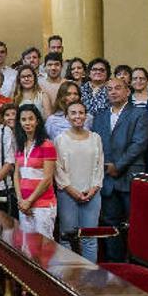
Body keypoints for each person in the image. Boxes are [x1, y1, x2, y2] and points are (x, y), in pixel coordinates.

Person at [91, 79, 148, 262]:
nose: (113, 92)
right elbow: (96, 145)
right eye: (109, 89)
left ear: (127, 92)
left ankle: (137, 263)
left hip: (129, 175)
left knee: (136, 224)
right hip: (108, 177)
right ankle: (115, 264)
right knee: (110, 222)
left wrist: (119, 165)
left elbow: (139, 144)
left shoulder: (139, 114)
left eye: (118, 88)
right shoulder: (100, 116)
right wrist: (106, 167)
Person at [54, 101, 104, 262]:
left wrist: (94, 188)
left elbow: (99, 166)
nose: (77, 116)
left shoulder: (95, 138)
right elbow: (58, 168)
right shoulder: (60, 139)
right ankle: (69, 279)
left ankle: (89, 280)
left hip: (92, 194)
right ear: (67, 117)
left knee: (89, 237)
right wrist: (71, 190)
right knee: (67, 237)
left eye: (81, 112)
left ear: (86, 115)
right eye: (73, 113)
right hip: (67, 194)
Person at [13, 104, 57, 238]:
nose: (27, 122)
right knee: (27, 249)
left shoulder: (47, 144)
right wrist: (21, 200)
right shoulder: (21, 145)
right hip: (24, 205)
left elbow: (47, 179)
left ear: (37, 121)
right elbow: (16, 174)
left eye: (31, 119)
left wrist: (29, 201)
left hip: (42, 204)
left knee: (44, 249)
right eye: (24, 119)